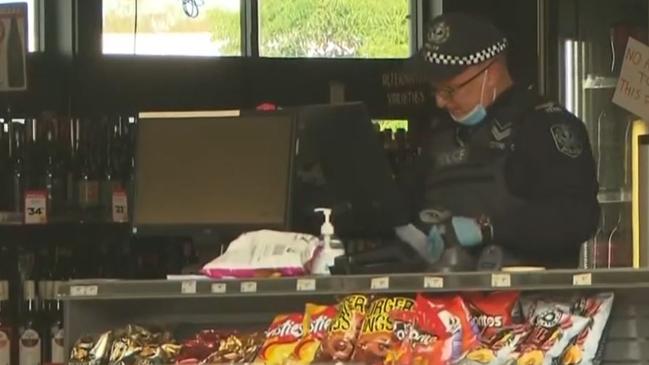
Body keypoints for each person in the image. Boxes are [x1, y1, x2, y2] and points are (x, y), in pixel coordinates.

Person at [395, 12, 600, 269]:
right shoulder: (440, 135)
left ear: (489, 74)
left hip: (530, 303)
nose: (440, 101)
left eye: (449, 90)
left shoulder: (543, 126)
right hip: (445, 304)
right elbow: (406, 204)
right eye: (435, 89)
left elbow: (578, 216)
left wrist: (487, 229)